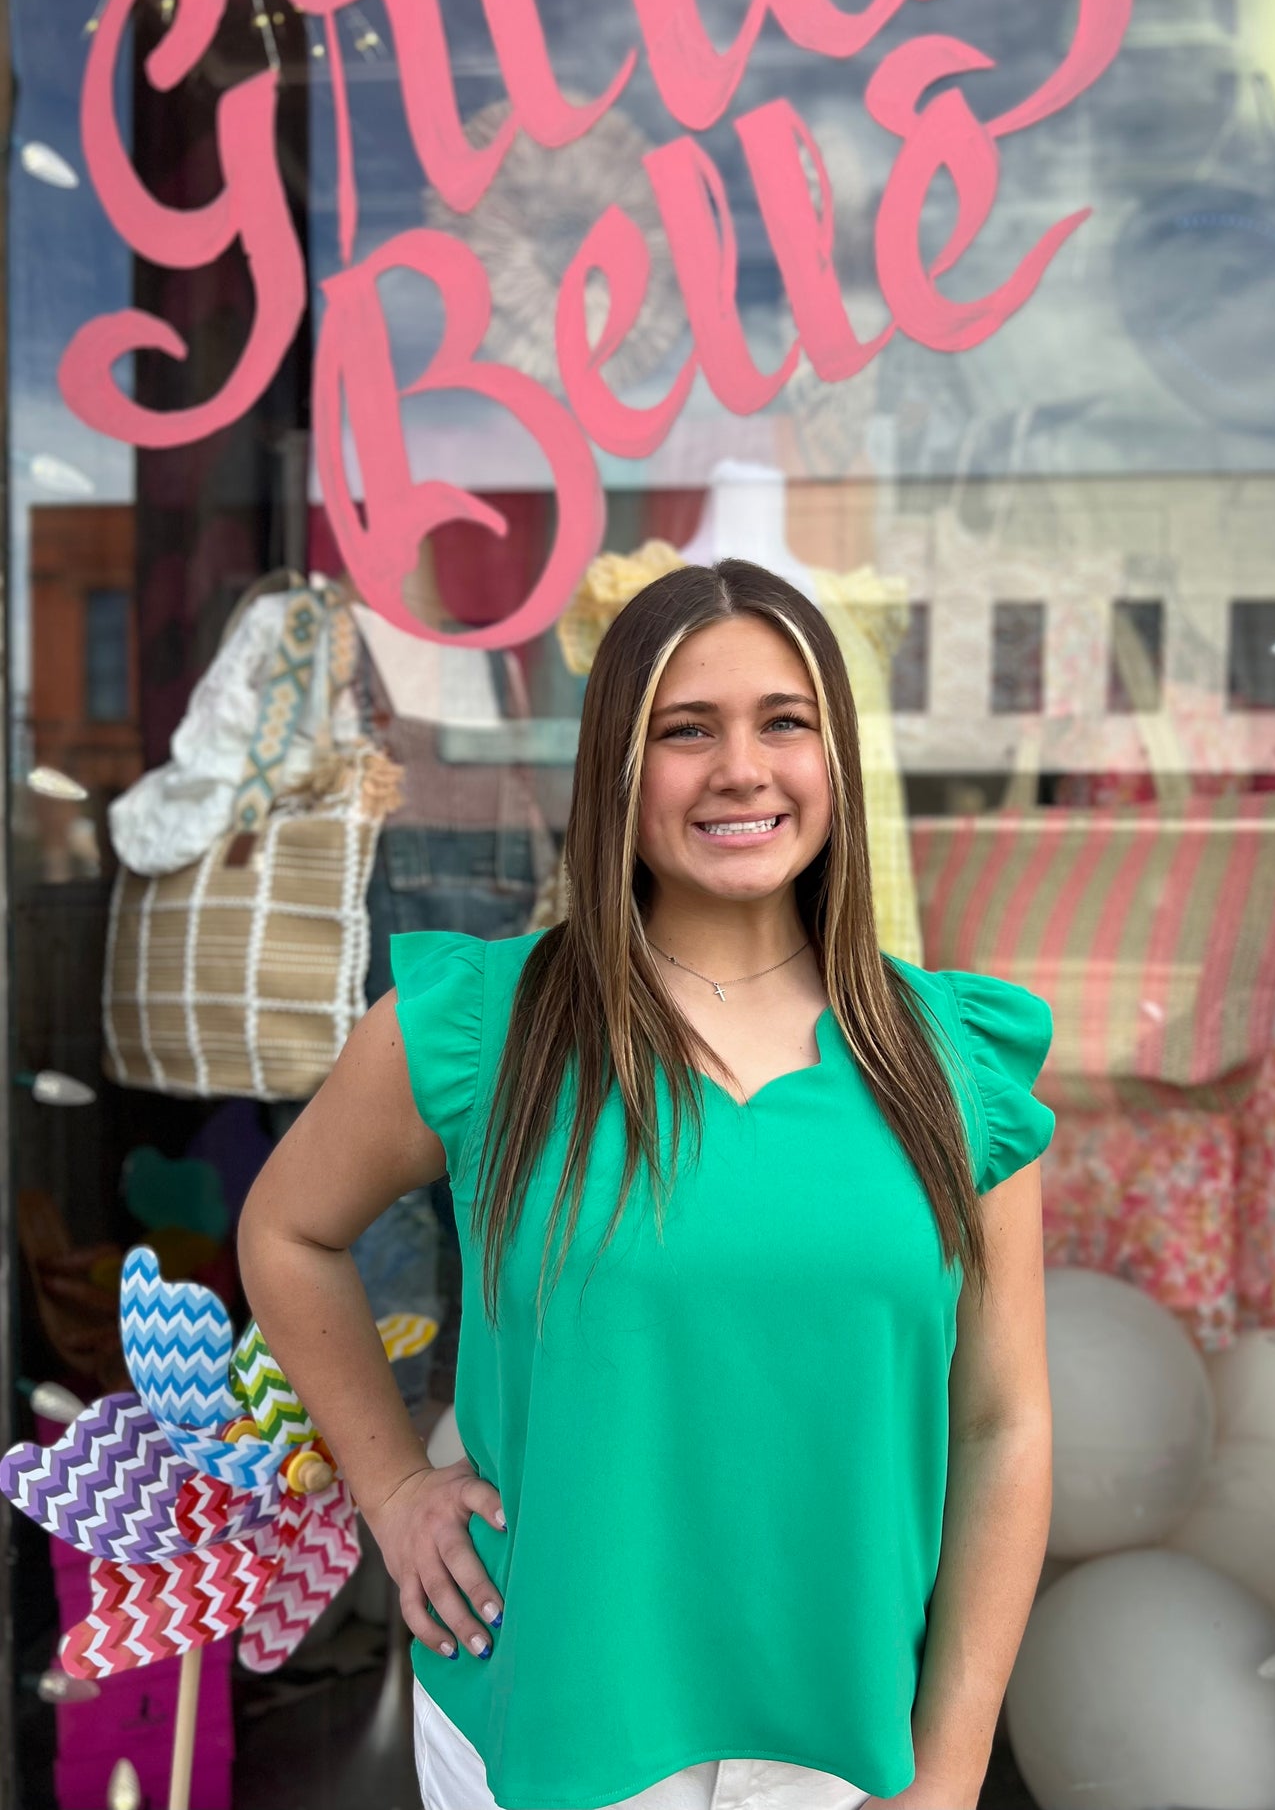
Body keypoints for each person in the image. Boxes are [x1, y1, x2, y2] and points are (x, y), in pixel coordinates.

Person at [238, 561, 1056, 1810]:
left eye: (785, 721)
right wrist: (393, 1487)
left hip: (843, 1746)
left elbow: (1003, 1427)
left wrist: (945, 1771)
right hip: (547, 1719)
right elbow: (288, 1230)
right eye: (687, 729)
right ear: (617, 763)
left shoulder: (950, 1062)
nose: (742, 767)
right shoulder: (473, 1029)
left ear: (835, 756)